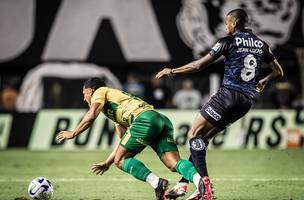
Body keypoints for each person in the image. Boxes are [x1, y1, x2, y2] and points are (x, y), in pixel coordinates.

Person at [156, 8, 284, 200]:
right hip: (246, 102)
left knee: (193, 134)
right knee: (202, 139)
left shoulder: (228, 41)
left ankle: (205, 185)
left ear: (235, 22)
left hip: (228, 96)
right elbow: (278, 72)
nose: (226, 26)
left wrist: (172, 71)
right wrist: (265, 80)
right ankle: (183, 184)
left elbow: (199, 65)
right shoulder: (262, 44)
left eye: (227, 23)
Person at [56, 77, 208, 200]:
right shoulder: (115, 106)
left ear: (90, 90)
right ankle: (200, 182)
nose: (84, 98)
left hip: (144, 120)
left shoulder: (100, 91)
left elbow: (91, 115)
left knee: (120, 161)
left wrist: (73, 133)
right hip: (160, 120)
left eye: (84, 94)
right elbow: (123, 142)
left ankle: (157, 183)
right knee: (173, 164)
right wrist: (108, 163)